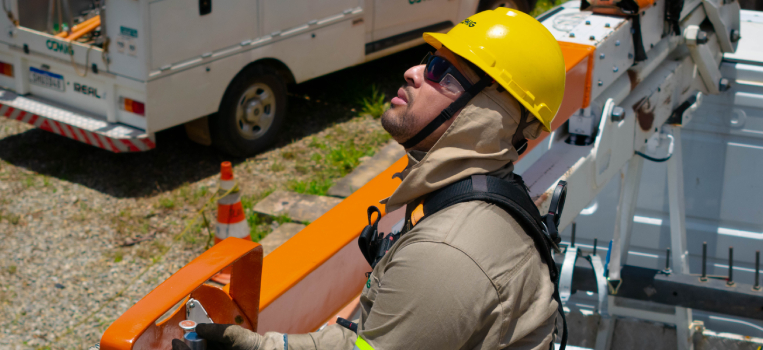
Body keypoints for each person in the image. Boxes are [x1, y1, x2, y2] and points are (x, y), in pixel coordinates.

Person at [173, 7, 567, 350]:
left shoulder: (448, 252)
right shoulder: (466, 200)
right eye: (429, 58)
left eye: (440, 71)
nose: (413, 72)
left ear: (484, 114)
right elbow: (368, 344)